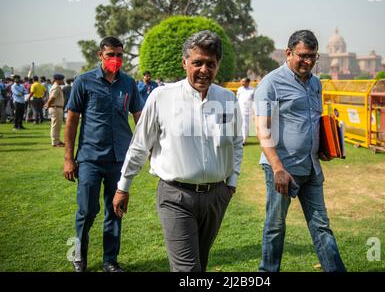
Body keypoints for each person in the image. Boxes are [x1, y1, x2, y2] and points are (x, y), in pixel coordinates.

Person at [112, 30, 243, 272]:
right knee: (187, 270)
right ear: (184, 63)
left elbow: (236, 142)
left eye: (210, 64)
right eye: (197, 62)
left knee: (200, 265)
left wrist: (231, 183)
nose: (204, 69)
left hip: (216, 196)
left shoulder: (227, 99)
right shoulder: (162, 97)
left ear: (218, 65)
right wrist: (123, 187)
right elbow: (140, 145)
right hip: (176, 197)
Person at [254, 30, 346, 272]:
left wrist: (325, 147)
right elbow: (263, 130)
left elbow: (314, 121)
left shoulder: (316, 83)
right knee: (275, 226)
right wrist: (277, 168)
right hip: (282, 168)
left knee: (321, 225)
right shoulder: (271, 83)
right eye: (303, 56)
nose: (308, 62)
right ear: (288, 53)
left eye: (313, 57)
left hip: (311, 167)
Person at [64, 36, 143, 272]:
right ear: (100, 56)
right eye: (111, 55)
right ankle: (79, 257)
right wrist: (69, 158)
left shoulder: (128, 83)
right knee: (87, 211)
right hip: (90, 158)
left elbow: (140, 117)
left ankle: (110, 260)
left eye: (119, 55)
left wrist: (148, 144)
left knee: (115, 210)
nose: (115, 60)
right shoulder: (83, 82)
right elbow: (72, 121)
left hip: (120, 159)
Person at [44, 74, 65, 147]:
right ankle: (55, 142)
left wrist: (47, 104)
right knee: (55, 126)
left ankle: (57, 140)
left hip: (57, 108)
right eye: (61, 79)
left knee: (57, 126)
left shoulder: (56, 86)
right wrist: (48, 105)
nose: (63, 81)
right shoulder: (56, 87)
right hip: (55, 108)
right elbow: (52, 98)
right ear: (57, 80)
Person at [236, 78, 255, 145]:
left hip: (247, 110)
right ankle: (239, 139)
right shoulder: (240, 89)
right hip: (239, 109)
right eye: (242, 81)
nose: (242, 83)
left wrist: (254, 111)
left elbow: (255, 101)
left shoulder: (252, 90)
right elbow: (237, 99)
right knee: (239, 125)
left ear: (248, 82)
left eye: (244, 82)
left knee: (245, 125)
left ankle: (243, 140)